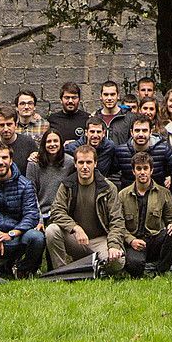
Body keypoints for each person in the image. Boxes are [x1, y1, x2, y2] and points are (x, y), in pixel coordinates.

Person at [46, 144, 126, 275]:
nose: (84, 167)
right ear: (75, 164)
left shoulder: (108, 187)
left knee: (118, 262)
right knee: (51, 230)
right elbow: (56, 212)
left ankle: (92, 267)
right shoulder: (67, 185)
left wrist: (113, 246)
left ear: (95, 164)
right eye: (81, 162)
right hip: (76, 240)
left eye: (88, 162)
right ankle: (61, 271)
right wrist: (75, 228)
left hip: (100, 240)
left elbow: (117, 221)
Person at [0, 142, 44, 277]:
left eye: (4, 158)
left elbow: (31, 215)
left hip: (17, 235)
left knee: (37, 238)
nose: (1, 162)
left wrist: (11, 234)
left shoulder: (25, 184)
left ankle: (22, 270)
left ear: (11, 160)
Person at [120, 152, 172, 277]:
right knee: (134, 267)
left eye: (145, 168)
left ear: (151, 170)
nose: (142, 172)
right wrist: (131, 241)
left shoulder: (163, 193)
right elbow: (118, 224)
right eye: (138, 169)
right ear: (133, 171)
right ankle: (146, 268)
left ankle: (161, 270)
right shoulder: (122, 195)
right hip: (135, 241)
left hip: (155, 238)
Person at [26, 129, 74, 229]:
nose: (52, 144)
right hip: (39, 214)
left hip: (61, 214)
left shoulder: (70, 163)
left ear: (61, 143)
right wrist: (39, 220)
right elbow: (31, 194)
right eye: (48, 141)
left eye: (55, 141)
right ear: (43, 144)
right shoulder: (34, 164)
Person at [115, 116, 172, 189]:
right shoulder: (121, 152)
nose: (141, 134)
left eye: (144, 130)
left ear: (151, 132)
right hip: (129, 197)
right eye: (137, 130)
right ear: (131, 132)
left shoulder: (163, 149)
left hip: (157, 196)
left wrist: (171, 177)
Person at [0, 107, 38, 177]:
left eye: (9, 124)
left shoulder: (29, 144)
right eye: (2, 125)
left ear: (16, 125)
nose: (6, 129)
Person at [67, 117, 119, 181]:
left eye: (98, 132)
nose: (95, 135)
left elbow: (114, 167)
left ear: (103, 133)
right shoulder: (73, 148)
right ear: (86, 132)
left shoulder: (109, 147)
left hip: (101, 184)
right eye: (92, 131)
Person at [95, 80, 133, 146]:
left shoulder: (129, 118)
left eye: (112, 94)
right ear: (101, 96)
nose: (109, 98)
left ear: (118, 96)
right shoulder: (95, 118)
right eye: (106, 95)